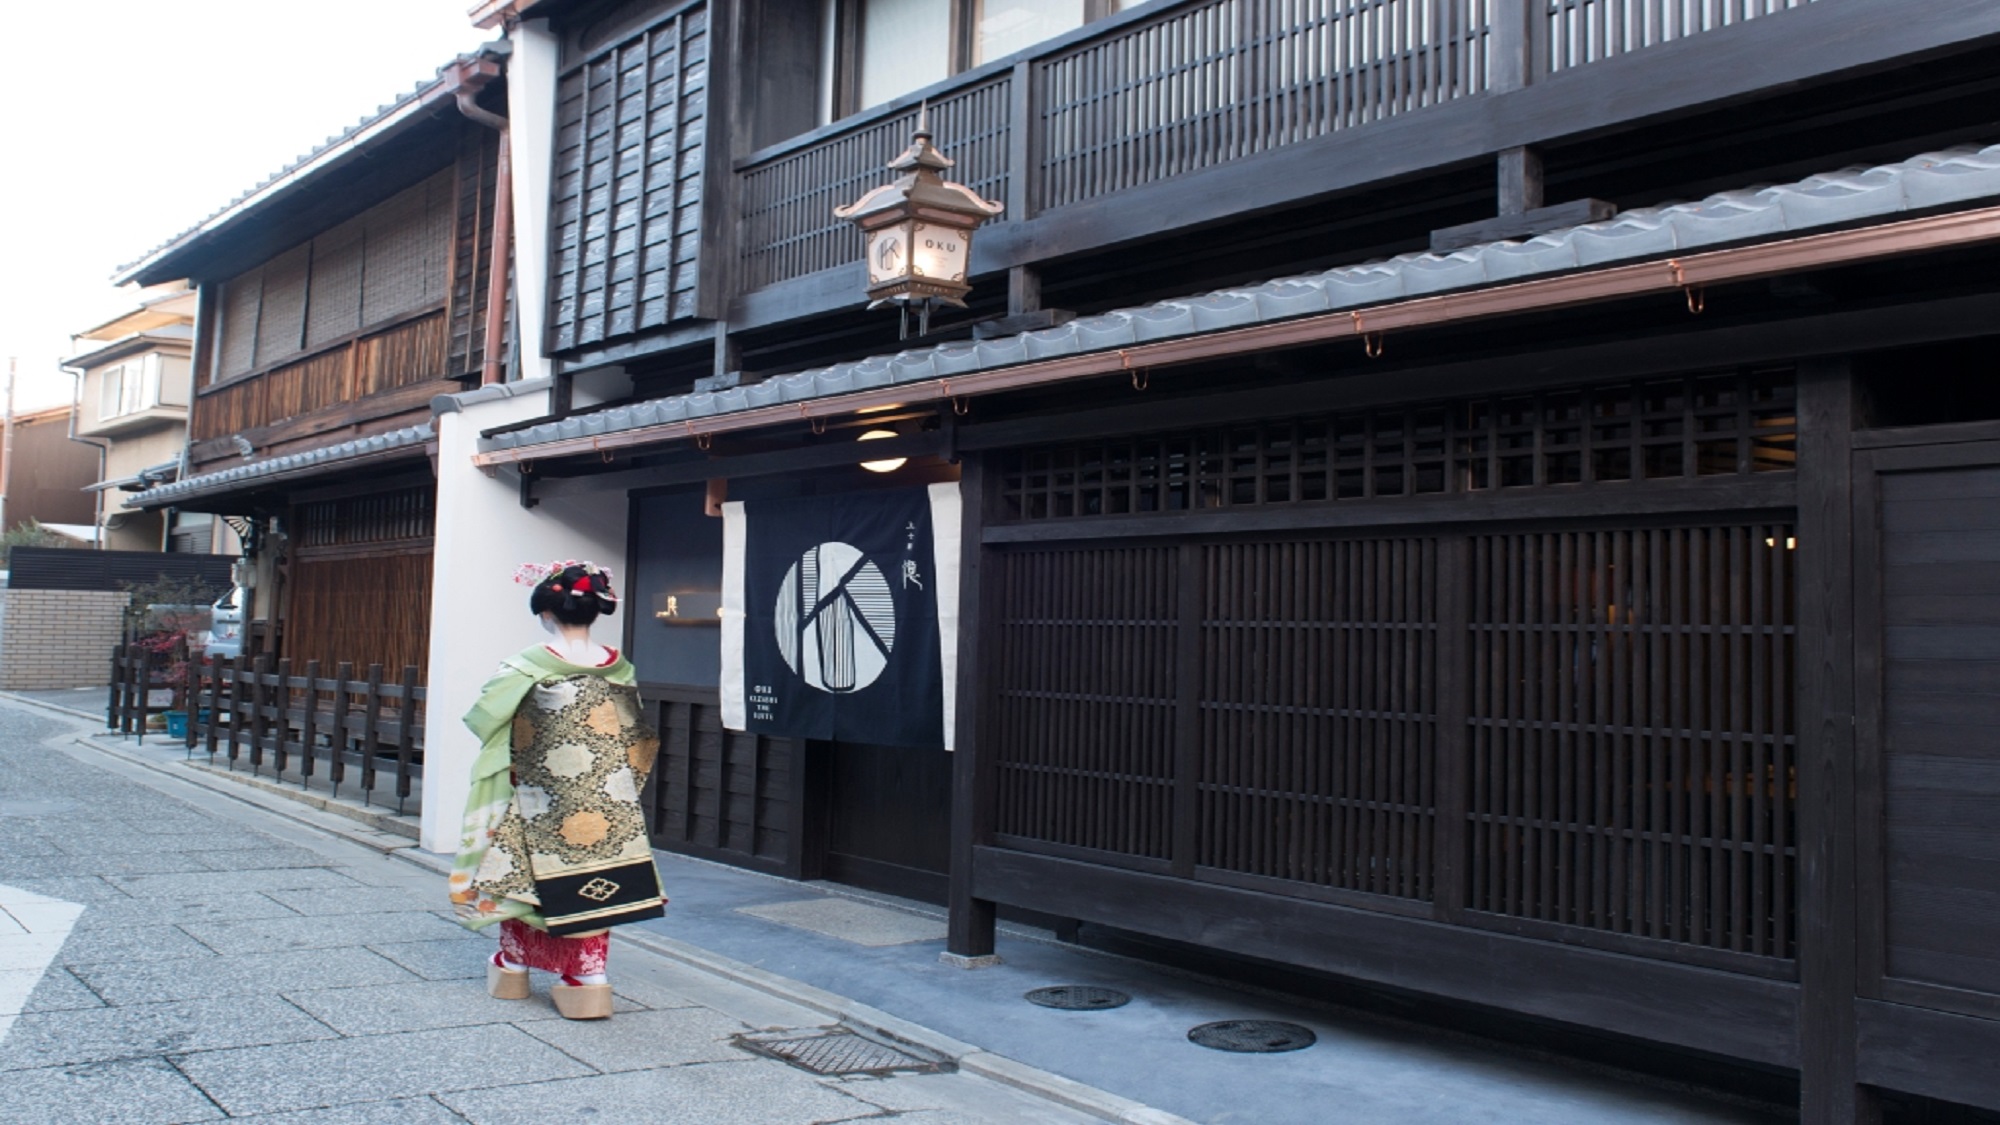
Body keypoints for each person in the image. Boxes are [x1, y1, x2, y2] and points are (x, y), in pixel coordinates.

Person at [448, 560, 663, 1020]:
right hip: (604, 795)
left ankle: (513, 963)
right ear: (594, 613)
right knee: (596, 878)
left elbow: (485, 717)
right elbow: (635, 735)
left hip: (536, 793)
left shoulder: (526, 666)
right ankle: (587, 976)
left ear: (547, 613)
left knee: (524, 878)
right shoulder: (619, 669)